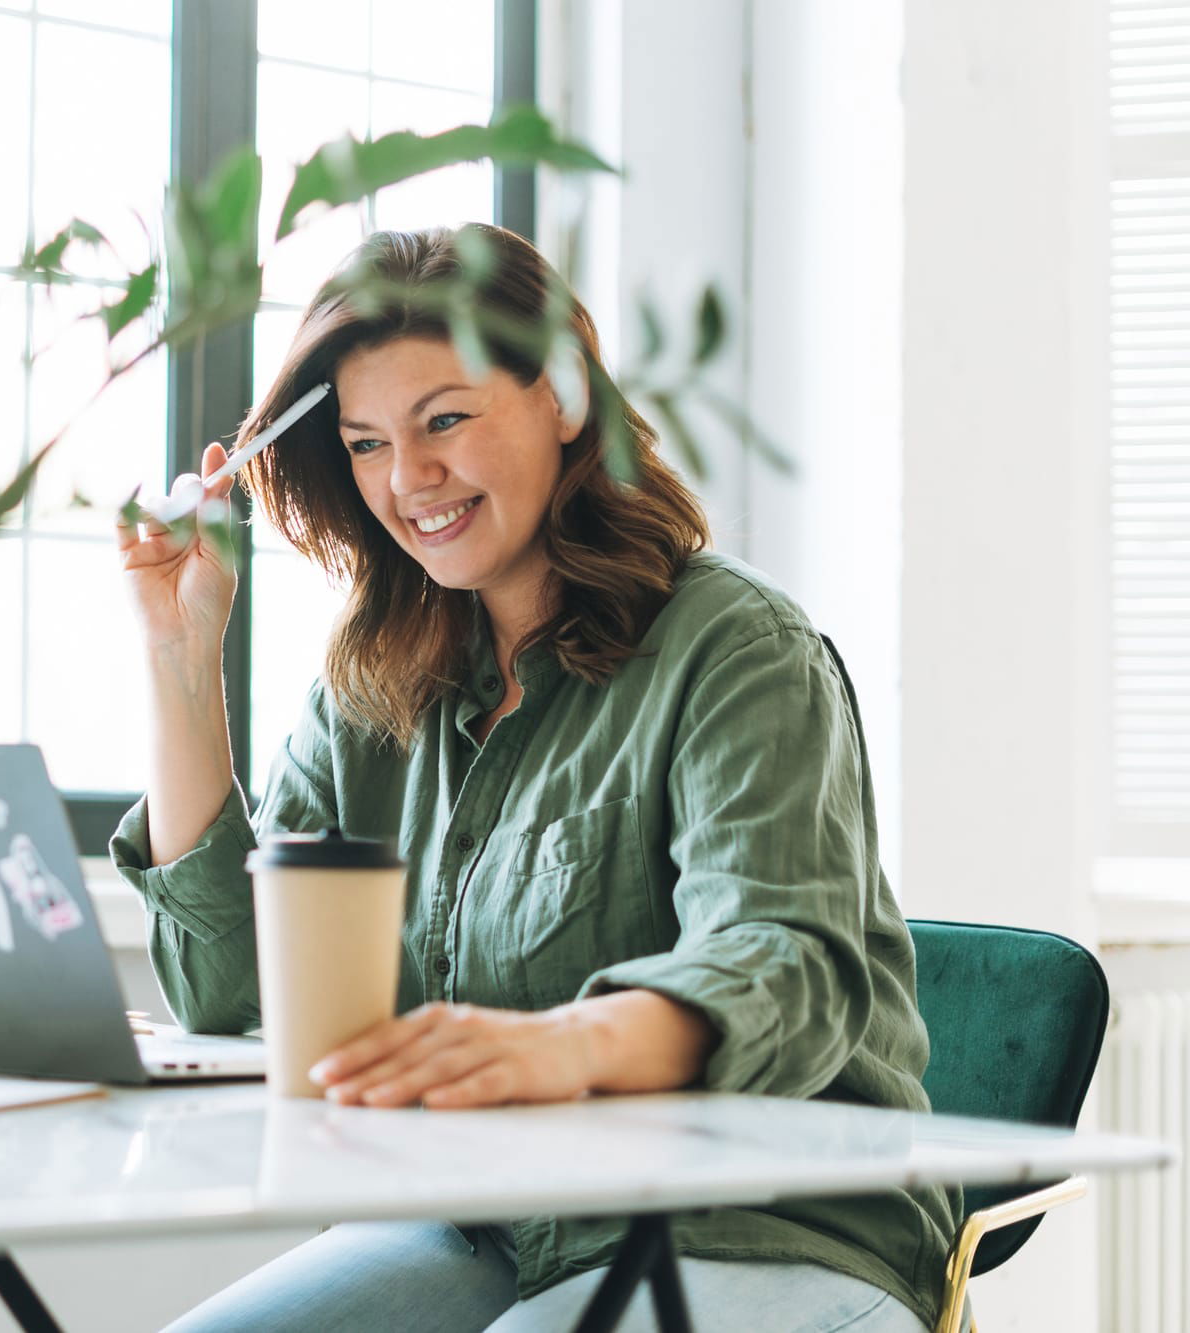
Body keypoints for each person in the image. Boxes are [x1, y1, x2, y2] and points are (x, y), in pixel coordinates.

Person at [109, 224, 956, 1332]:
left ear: (560, 396)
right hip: (487, 1222)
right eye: (364, 444)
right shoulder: (374, 681)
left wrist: (555, 1044)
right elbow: (236, 993)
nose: (407, 480)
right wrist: (181, 657)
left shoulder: (737, 649)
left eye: (444, 421)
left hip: (763, 1221)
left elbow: (786, 972)